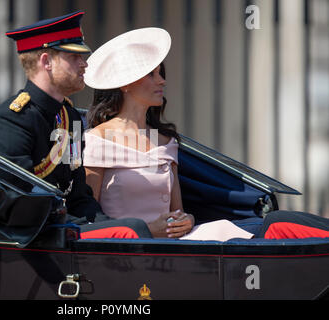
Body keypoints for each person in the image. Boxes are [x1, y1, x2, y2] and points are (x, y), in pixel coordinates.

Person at [82, 28, 329, 241]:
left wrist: (186, 220)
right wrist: (147, 231)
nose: (162, 82)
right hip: (129, 250)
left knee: (270, 225)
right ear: (126, 84)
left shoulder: (166, 140)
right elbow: (89, 215)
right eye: (152, 74)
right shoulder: (97, 139)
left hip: (178, 242)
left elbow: (178, 211)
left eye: (161, 73)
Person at [0, 12, 151, 239]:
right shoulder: (14, 120)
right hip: (34, 235)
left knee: (131, 229)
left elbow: (78, 195)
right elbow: (17, 201)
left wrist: (100, 221)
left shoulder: (69, 117)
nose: (84, 64)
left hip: (62, 226)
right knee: (131, 230)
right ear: (46, 61)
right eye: (74, 57)